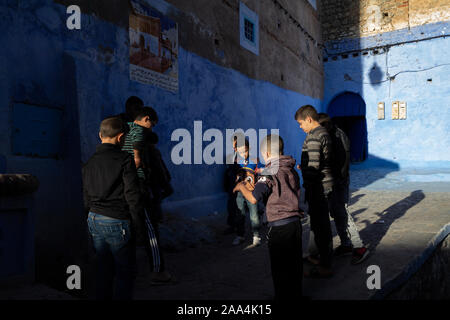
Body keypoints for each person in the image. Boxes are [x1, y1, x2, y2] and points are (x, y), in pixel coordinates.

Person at [233, 134, 303, 302]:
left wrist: (241, 186)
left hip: (279, 226)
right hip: (295, 223)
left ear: (265, 153)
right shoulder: (291, 168)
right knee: (295, 265)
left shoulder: (268, 171)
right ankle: (296, 296)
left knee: (279, 268)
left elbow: (253, 198)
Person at [82, 117, 146, 300]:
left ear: (100, 135)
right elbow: (132, 196)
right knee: (124, 274)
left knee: (103, 271)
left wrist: (89, 217)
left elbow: (86, 195)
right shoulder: (125, 160)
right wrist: (138, 227)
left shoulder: (89, 162)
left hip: (94, 218)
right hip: (117, 221)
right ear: (121, 138)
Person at [122, 107, 174, 284]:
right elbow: (143, 162)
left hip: (124, 189)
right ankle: (158, 271)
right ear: (146, 119)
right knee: (151, 231)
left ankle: (126, 270)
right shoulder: (140, 133)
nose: (152, 127)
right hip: (140, 188)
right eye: (152, 123)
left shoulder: (123, 131)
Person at [318, 113, 369, 265]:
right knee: (336, 212)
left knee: (342, 212)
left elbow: (340, 162)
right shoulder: (335, 134)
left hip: (338, 182)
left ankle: (359, 247)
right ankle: (346, 244)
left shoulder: (337, 137)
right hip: (337, 181)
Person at [295, 105, 334, 278]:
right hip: (326, 184)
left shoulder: (314, 136)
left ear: (309, 119)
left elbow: (313, 167)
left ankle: (325, 265)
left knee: (320, 227)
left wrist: (304, 172)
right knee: (322, 225)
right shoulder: (324, 133)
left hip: (317, 188)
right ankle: (324, 260)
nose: (300, 127)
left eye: (301, 123)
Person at [232, 138, 262, 249]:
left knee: (254, 215)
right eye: (240, 152)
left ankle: (256, 236)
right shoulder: (235, 162)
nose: (243, 154)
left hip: (251, 192)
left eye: (245, 151)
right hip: (240, 193)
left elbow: (259, 173)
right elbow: (232, 176)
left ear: (249, 148)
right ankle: (240, 235)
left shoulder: (254, 160)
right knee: (240, 214)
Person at [223, 134, 240, 235]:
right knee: (232, 205)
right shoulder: (232, 155)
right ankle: (232, 225)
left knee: (239, 206)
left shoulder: (244, 156)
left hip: (240, 185)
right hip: (232, 186)